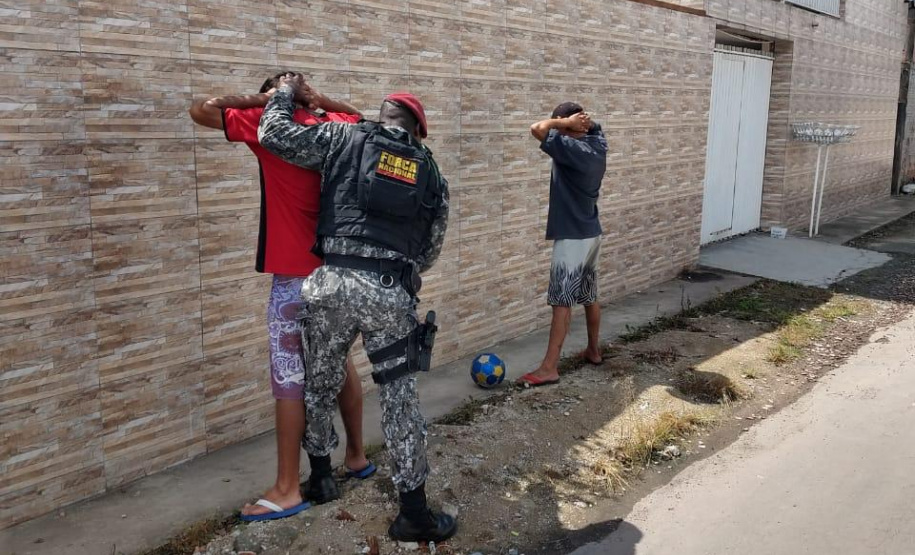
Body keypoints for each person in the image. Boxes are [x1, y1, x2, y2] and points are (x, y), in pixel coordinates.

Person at [258, 74, 456, 543]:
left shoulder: (345, 135)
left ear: (382, 117)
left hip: (330, 282)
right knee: (399, 398)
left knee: (319, 382)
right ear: (418, 131)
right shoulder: (431, 173)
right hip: (389, 289)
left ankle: (323, 477)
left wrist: (284, 91)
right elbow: (429, 250)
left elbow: (273, 135)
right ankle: (413, 515)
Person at [188, 73, 374, 522]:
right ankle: (356, 457)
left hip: (295, 274)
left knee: (290, 376)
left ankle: (288, 488)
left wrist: (268, 99)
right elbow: (365, 118)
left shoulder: (270, 122)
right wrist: (316, 98)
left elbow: (202, 109)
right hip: (339, 269)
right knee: (338, 359)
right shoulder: (333, 121)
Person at [517, 102, 608, 387]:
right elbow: (595, 127)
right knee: (589, 295)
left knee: (562, 301)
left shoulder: (573, 150)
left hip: (572, 237)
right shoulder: (597, 143)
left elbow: (537, 128)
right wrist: (582, 123)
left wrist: (561, 123)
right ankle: (593, 350)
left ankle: (549, 368)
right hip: (591, 233)